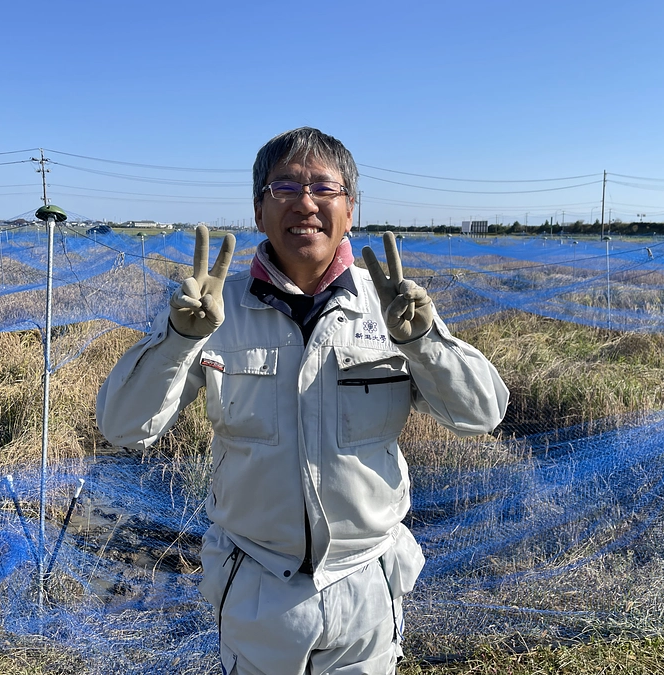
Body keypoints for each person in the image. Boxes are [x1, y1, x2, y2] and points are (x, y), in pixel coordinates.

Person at [96, 127, 509, 674]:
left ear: (350, 209)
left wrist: (423, 342)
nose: (305, 204)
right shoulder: (213, 309)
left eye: (323, 188)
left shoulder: (390, 307)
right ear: (258, 210)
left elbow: (481, 415)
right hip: (256, 582)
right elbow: (122, 426)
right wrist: (179, 339)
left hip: (366, 582)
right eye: (285, 188)